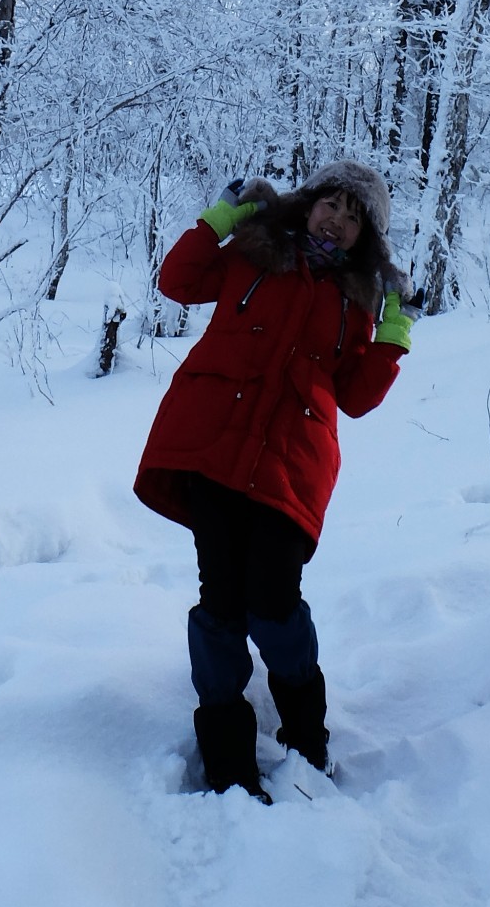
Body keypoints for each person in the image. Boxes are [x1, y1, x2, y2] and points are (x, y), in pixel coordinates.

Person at [134, 159, 413, 800]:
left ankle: (305, 735)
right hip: (215, 451)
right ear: (308, 202)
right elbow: (176, 280)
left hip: (290, 466)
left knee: (274, 598)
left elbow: (359, 395)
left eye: (353, 216)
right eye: (330, 205)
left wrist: (394, 329)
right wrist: (222, 217)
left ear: (364, 236)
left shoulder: (354, 297)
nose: (337, 221)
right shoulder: (253, 252)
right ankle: (228, 759)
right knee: (222, 602)